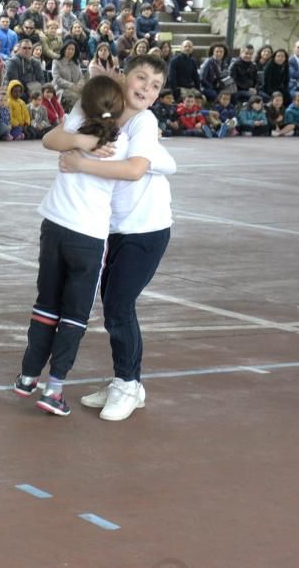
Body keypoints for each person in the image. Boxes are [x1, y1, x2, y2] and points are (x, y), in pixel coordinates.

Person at [54, 56, 173, 421]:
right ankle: (126, 380)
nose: (147, 89)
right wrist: (81, 141)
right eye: (141, 78)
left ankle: (128, 384)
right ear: (124, 76)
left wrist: (81, 161)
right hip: (113, 227)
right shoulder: (101, 104)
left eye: (156, 85)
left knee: (119, 306)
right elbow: (55, 137)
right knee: (114, 305)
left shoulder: (145, 121)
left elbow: (137, 169)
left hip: (147, 227)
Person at [14, 75, 130, 416]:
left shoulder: (77, 123)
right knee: (75, 315)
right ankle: (54, 389)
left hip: (55, 224)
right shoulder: (121, 142)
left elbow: (50, 138)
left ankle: (28, 375)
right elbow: (137, 170)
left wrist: (79, 143)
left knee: (46, 303)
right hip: (89, 234)